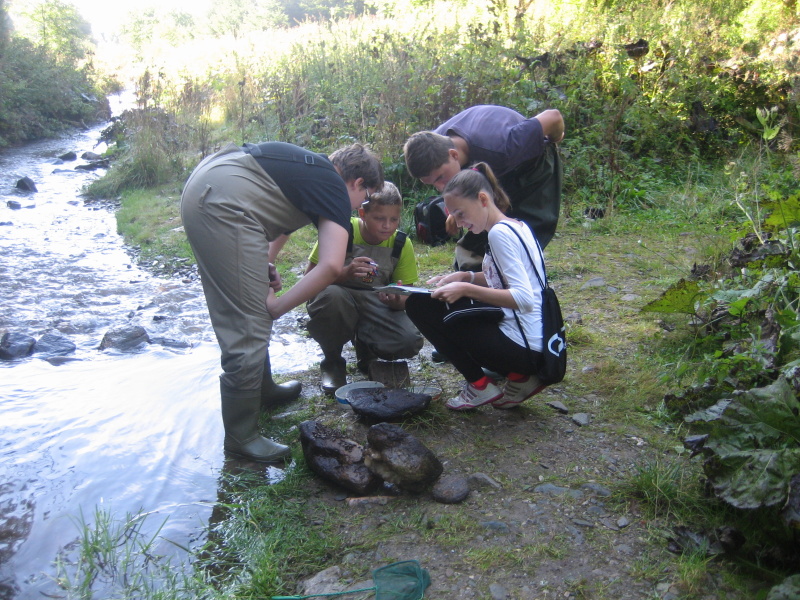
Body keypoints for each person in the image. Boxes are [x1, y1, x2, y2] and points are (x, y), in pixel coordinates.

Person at [180, 141, 383, 462]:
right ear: (358, 183)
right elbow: (331, 266)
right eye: (367, 197)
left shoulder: (312, 171)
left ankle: (262, 390)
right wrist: (278, 307)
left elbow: (282, 225)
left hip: (212, 185)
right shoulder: (333, 185)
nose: (362, 204)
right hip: (223, 204)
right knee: (247, 324)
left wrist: (265, 262)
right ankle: (241, 437)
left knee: (252, 308)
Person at [401, 163, 548, 411]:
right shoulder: (517, 226)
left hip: (523, 347)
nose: (459, 223)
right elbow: (504, 279)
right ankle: (518, 378)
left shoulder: (499, 234)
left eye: (460, 214)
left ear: (482, 199)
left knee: (419, 305)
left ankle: (479, 385)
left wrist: (466, 290)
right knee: (436, 301)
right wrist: (465, 277)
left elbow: (524, 298)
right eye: (453, 215)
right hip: (535, 344)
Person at [403, 104, 565, 270]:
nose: (440, 188)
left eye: (440, 178)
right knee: (476, 230)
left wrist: (556, 137)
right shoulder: (433, 145)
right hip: (492, 164)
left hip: (531, 167)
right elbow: (474, 175)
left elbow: (554, 117)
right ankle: (474, 274)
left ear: (454, 155)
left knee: (521, 236)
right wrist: (457, 210)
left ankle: (512, 276)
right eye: (432, 183)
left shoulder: (506, 145)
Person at [305, 181, 424, 393]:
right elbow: (309, 278)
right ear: (362, 213)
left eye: (393, 219)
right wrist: (344, 273)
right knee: (332, 298)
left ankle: (368, 353)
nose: (387, 226)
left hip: (375, 301)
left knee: (408, 340)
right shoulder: (341, 230)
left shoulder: (401, 243)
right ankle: (332, 361)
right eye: (379, 218)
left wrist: (397, 300)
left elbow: (407, 295)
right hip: (338, 295)